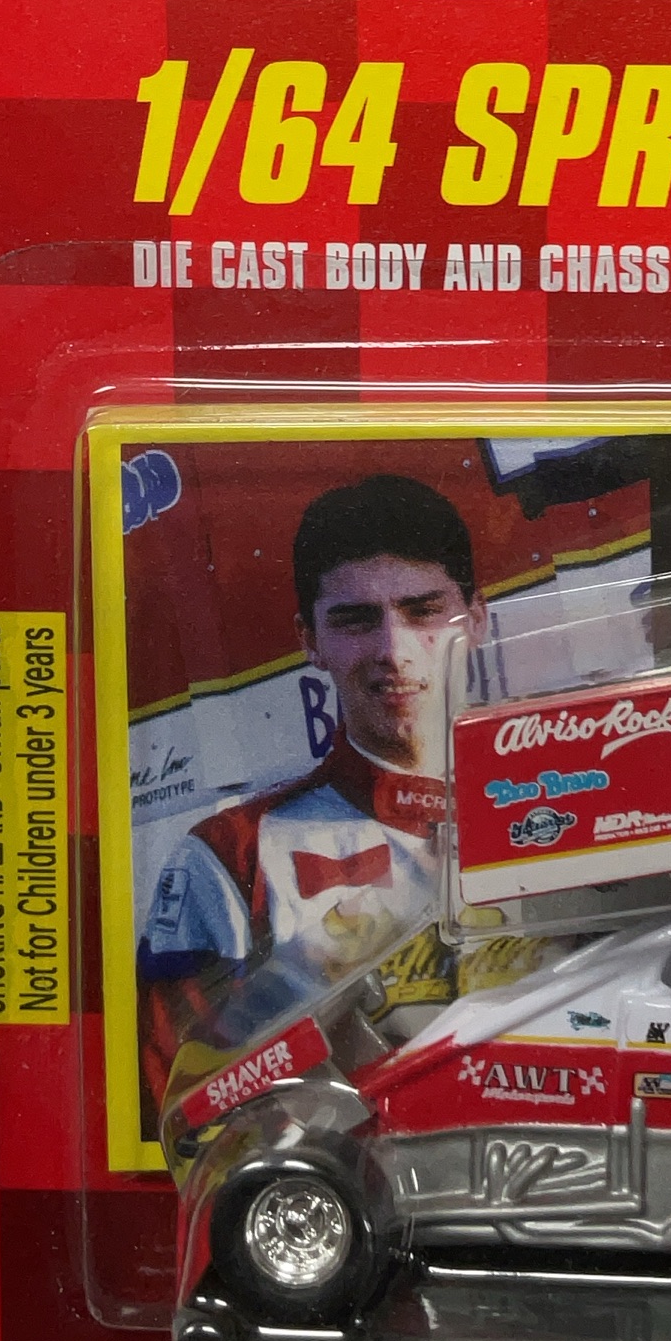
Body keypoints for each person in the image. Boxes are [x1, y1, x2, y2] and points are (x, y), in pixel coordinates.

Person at [138, 473, 488, 1112]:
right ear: (310, 641)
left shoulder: (578, 819)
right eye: (357, 620)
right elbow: (184, 1115)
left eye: (423, 611)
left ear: (479, 618)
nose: (393, 650)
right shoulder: (229, 856)